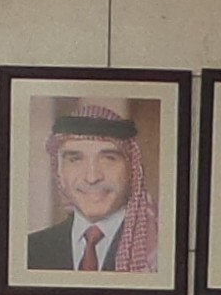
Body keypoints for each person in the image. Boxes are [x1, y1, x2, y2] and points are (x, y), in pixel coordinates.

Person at [23, 101, 154, 276]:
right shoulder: (30, 250)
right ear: (59, 171)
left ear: (132, 170)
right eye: (75, 159)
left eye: (109, 158)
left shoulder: (156, 251)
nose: (92, 177)